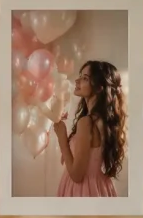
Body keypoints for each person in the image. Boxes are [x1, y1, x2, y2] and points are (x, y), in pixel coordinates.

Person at [53, 60, 127, 197]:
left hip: (82, 190)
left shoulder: (86, 122)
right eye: (80, 76)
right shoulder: (105, 121)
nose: (77, 80)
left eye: (85, 78)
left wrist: (62, 137)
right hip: (101, 187)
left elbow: (76, 175)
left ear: (99, 87)